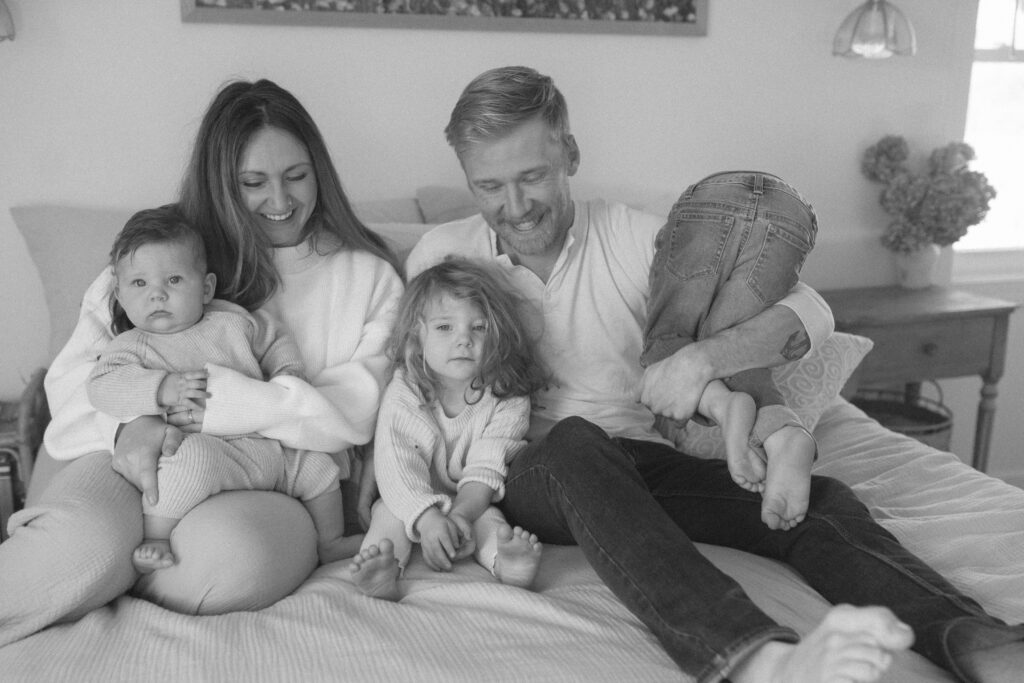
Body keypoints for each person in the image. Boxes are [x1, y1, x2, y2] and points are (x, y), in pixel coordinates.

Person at [404, 65, 1024, 683]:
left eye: (532, 176)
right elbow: (407, 403)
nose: (513, 207)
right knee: (575, 441)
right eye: (489, 186)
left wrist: (703, 360)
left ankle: (981, 646)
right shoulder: (441, 260)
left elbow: (813, 309)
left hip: (642, 464)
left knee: (821, 503)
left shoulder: (633, 239)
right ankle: (754, 657)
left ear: (569, 152)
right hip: (526, 469)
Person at [0, 78, 403, 645]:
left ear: (320, 171)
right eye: (253, 183)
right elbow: (73, 395)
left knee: (232, 559)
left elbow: (350, 413)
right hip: (129, 459)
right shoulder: (159, 257)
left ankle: (102, 580)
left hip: (270, 479)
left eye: (297, 176)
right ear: (220, 182)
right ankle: (92, 566)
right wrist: (135, 421)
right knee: (76, 548)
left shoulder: (368, 277)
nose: (281, 202)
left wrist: (212, 405)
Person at [87, 205, 364, 573]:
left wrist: (288, 373)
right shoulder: (132, 345)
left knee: (319, 467)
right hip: (207, 450)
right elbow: (102, 387)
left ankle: (330, 541)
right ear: (120, 295)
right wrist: (161, 388)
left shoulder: (233, 320)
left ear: (206, 289)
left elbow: (275, 340)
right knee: (186, 467)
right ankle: (155, 538)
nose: (157, 295)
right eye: (140, 284)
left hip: (267, 447)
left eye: (173, 281)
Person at [353, 258, 545, 598]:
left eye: (479, 328)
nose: (464, 340)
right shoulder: (406, 389)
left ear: (497, 334)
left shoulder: (507, 395)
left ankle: (507, 563)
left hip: (471, 498)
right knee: (388, 516)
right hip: (410, 494)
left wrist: (458, 516)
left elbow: (487, 468)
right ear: (417, 337)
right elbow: (396, 463)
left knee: (491, 521)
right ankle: (385, 570)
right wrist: (427, 518)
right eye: (445, 328)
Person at [642, 170, 819, 531]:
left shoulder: (622, 229)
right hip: (790, 211)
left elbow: (819, 315)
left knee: (667, 343)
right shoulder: (642, 227)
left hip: (710, 202)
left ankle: (726, 408)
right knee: (732, 343)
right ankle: (784, 435)